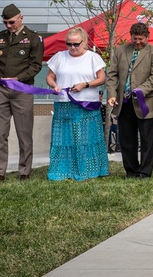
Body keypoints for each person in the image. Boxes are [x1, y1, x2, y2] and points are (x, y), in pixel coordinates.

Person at [0, 4, 44, 181]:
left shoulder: (33, 38)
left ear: (21, 18)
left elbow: (36, 66)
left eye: (11, 22)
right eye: (5, 23)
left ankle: (24, 171)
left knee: (24, 133)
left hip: (22, 90)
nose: (8, 26)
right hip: (1, 90)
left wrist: (18, 79)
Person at [45, 27, 109, 181]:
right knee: (64, 139)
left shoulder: (93, 58)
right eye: (69, 44)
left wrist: (85, 84)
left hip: (86, 104)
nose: (72, 48)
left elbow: (102, 79)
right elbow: (50, 77)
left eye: (76, 44)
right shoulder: (59, 57)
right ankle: (63, 171)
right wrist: (54, 86)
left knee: (85, 138)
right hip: (63, 104)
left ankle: (89, 169)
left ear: (84, 42)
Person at [106, 22, 153, 179]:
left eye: (141, 39)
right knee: (127, 140)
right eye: (134, 38)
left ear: (147, 37)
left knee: (147, 141)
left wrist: (139, 91)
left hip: (146, 104)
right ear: (130, 36)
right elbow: (112, 75)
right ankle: (131, 171)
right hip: (123, 104)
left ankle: (144, 173)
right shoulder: (120, 51)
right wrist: (111, 94)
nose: (137, 42)